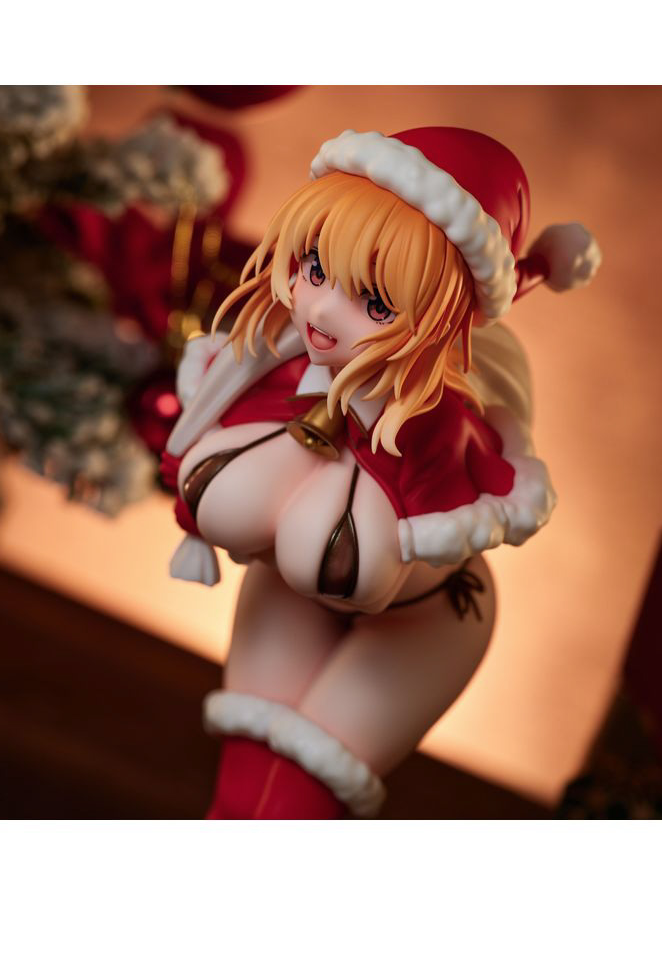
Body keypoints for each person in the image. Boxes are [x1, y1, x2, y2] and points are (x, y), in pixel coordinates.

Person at [162, 127, 601, 818]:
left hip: (423, 627)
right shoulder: (268, 365)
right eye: (314, 267)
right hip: (287, 597)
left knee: (296, 804)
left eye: (375, 303)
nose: (320, 311)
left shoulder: (437, 433)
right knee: (242, 792)